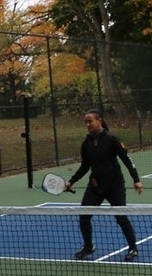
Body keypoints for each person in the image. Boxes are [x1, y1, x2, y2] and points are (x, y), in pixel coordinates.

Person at [62, 109, 144, 261]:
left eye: (90, 121)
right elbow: (85, 166)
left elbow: (127, 159)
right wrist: (71, 182)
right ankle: (88, 247)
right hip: (95, 186)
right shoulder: (86, 143)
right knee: (84, 216)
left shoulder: (112, 139)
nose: (88, 124)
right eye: (86, 122)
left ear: (99, 121)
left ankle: (133, 248)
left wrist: (136, 180)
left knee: (121, 218)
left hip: (115, 186)